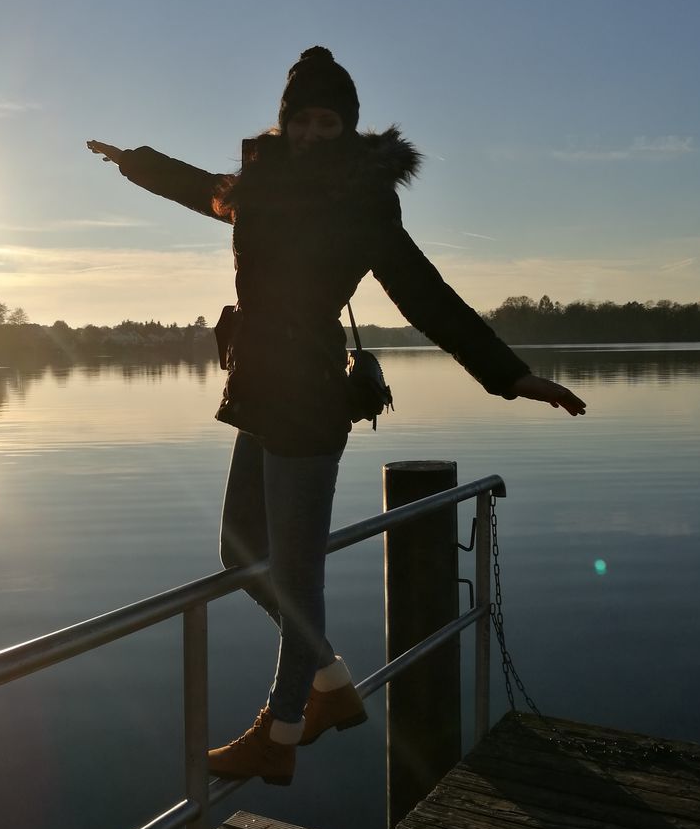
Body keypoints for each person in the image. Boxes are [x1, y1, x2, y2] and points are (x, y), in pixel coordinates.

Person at [88, 46, 585, 787]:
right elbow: (203, 189)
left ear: (348, 128)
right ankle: (328, 680)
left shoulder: (363, 202)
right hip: (256, 388)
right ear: (284, 124)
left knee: (295, 574)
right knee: (240, 553)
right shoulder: (257, 188)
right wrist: (135, 162)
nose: (315, 131)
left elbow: (424, 292)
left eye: (330, 120)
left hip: (312, 396)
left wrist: (509, 374)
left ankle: (281, 730)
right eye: (303, 119)